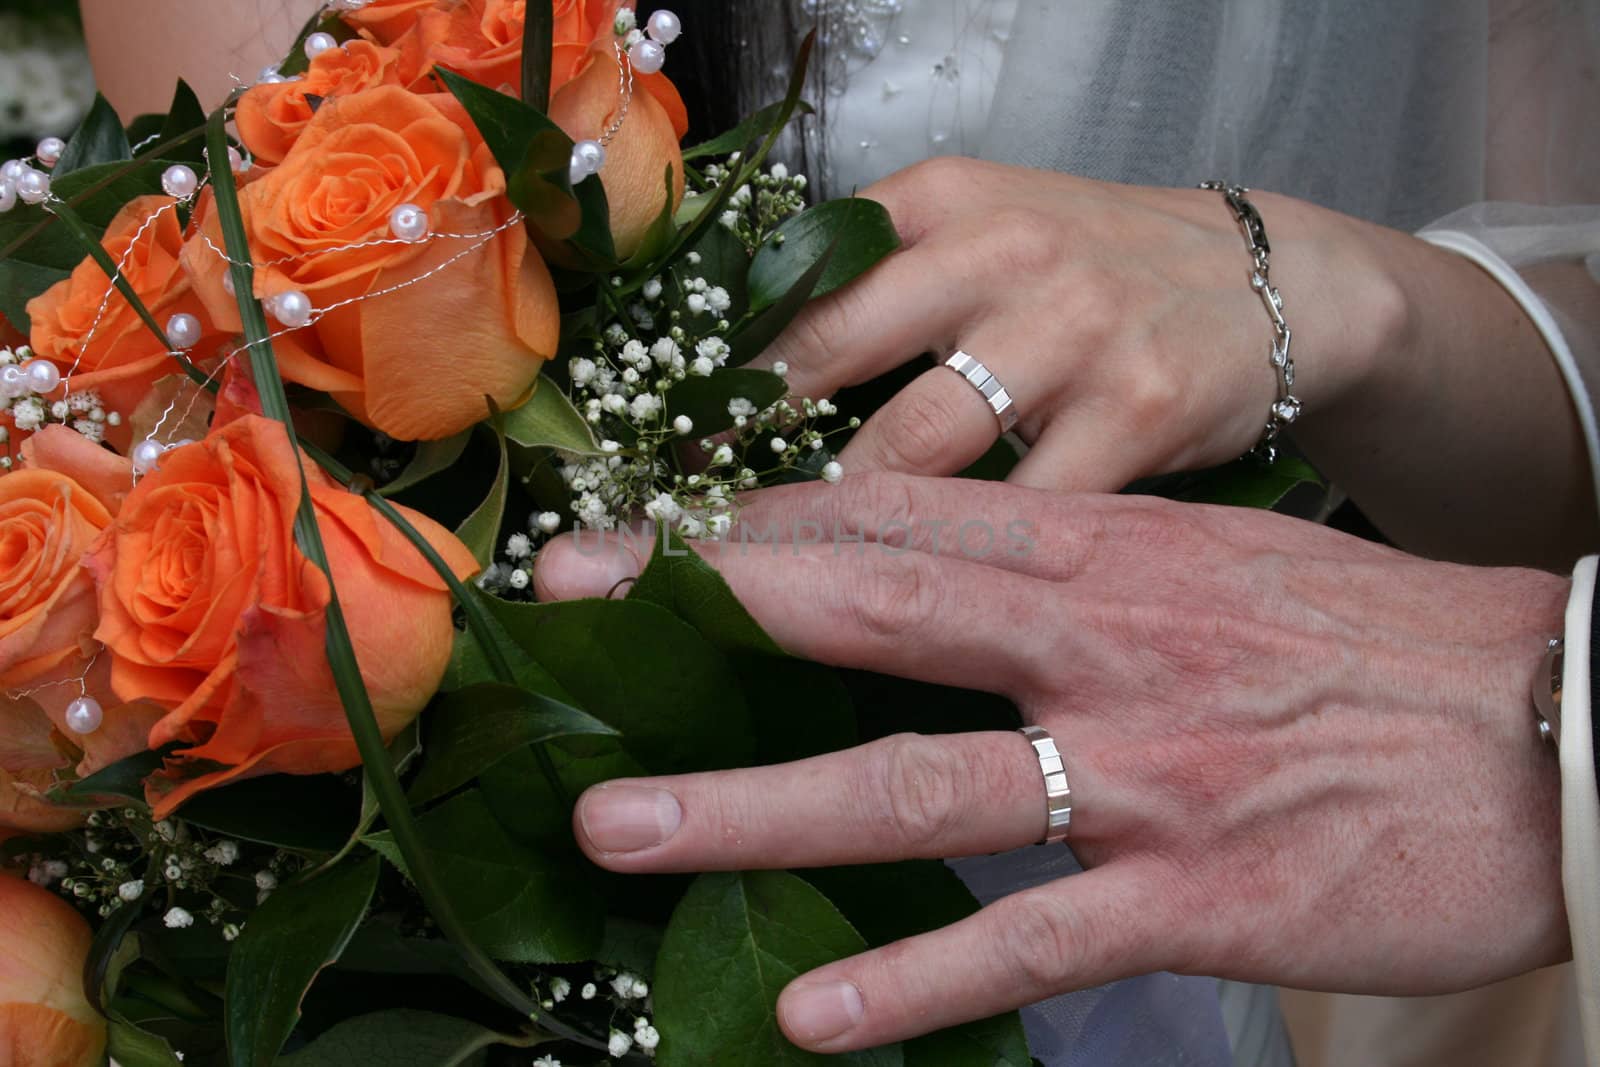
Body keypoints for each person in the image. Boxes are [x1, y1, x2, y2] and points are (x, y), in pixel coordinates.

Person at [81, 1, 1600, 1062]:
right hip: (505, 908)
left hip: (1166, 908)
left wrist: (1348, 300)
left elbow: (1552, 515)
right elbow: (255, 333)